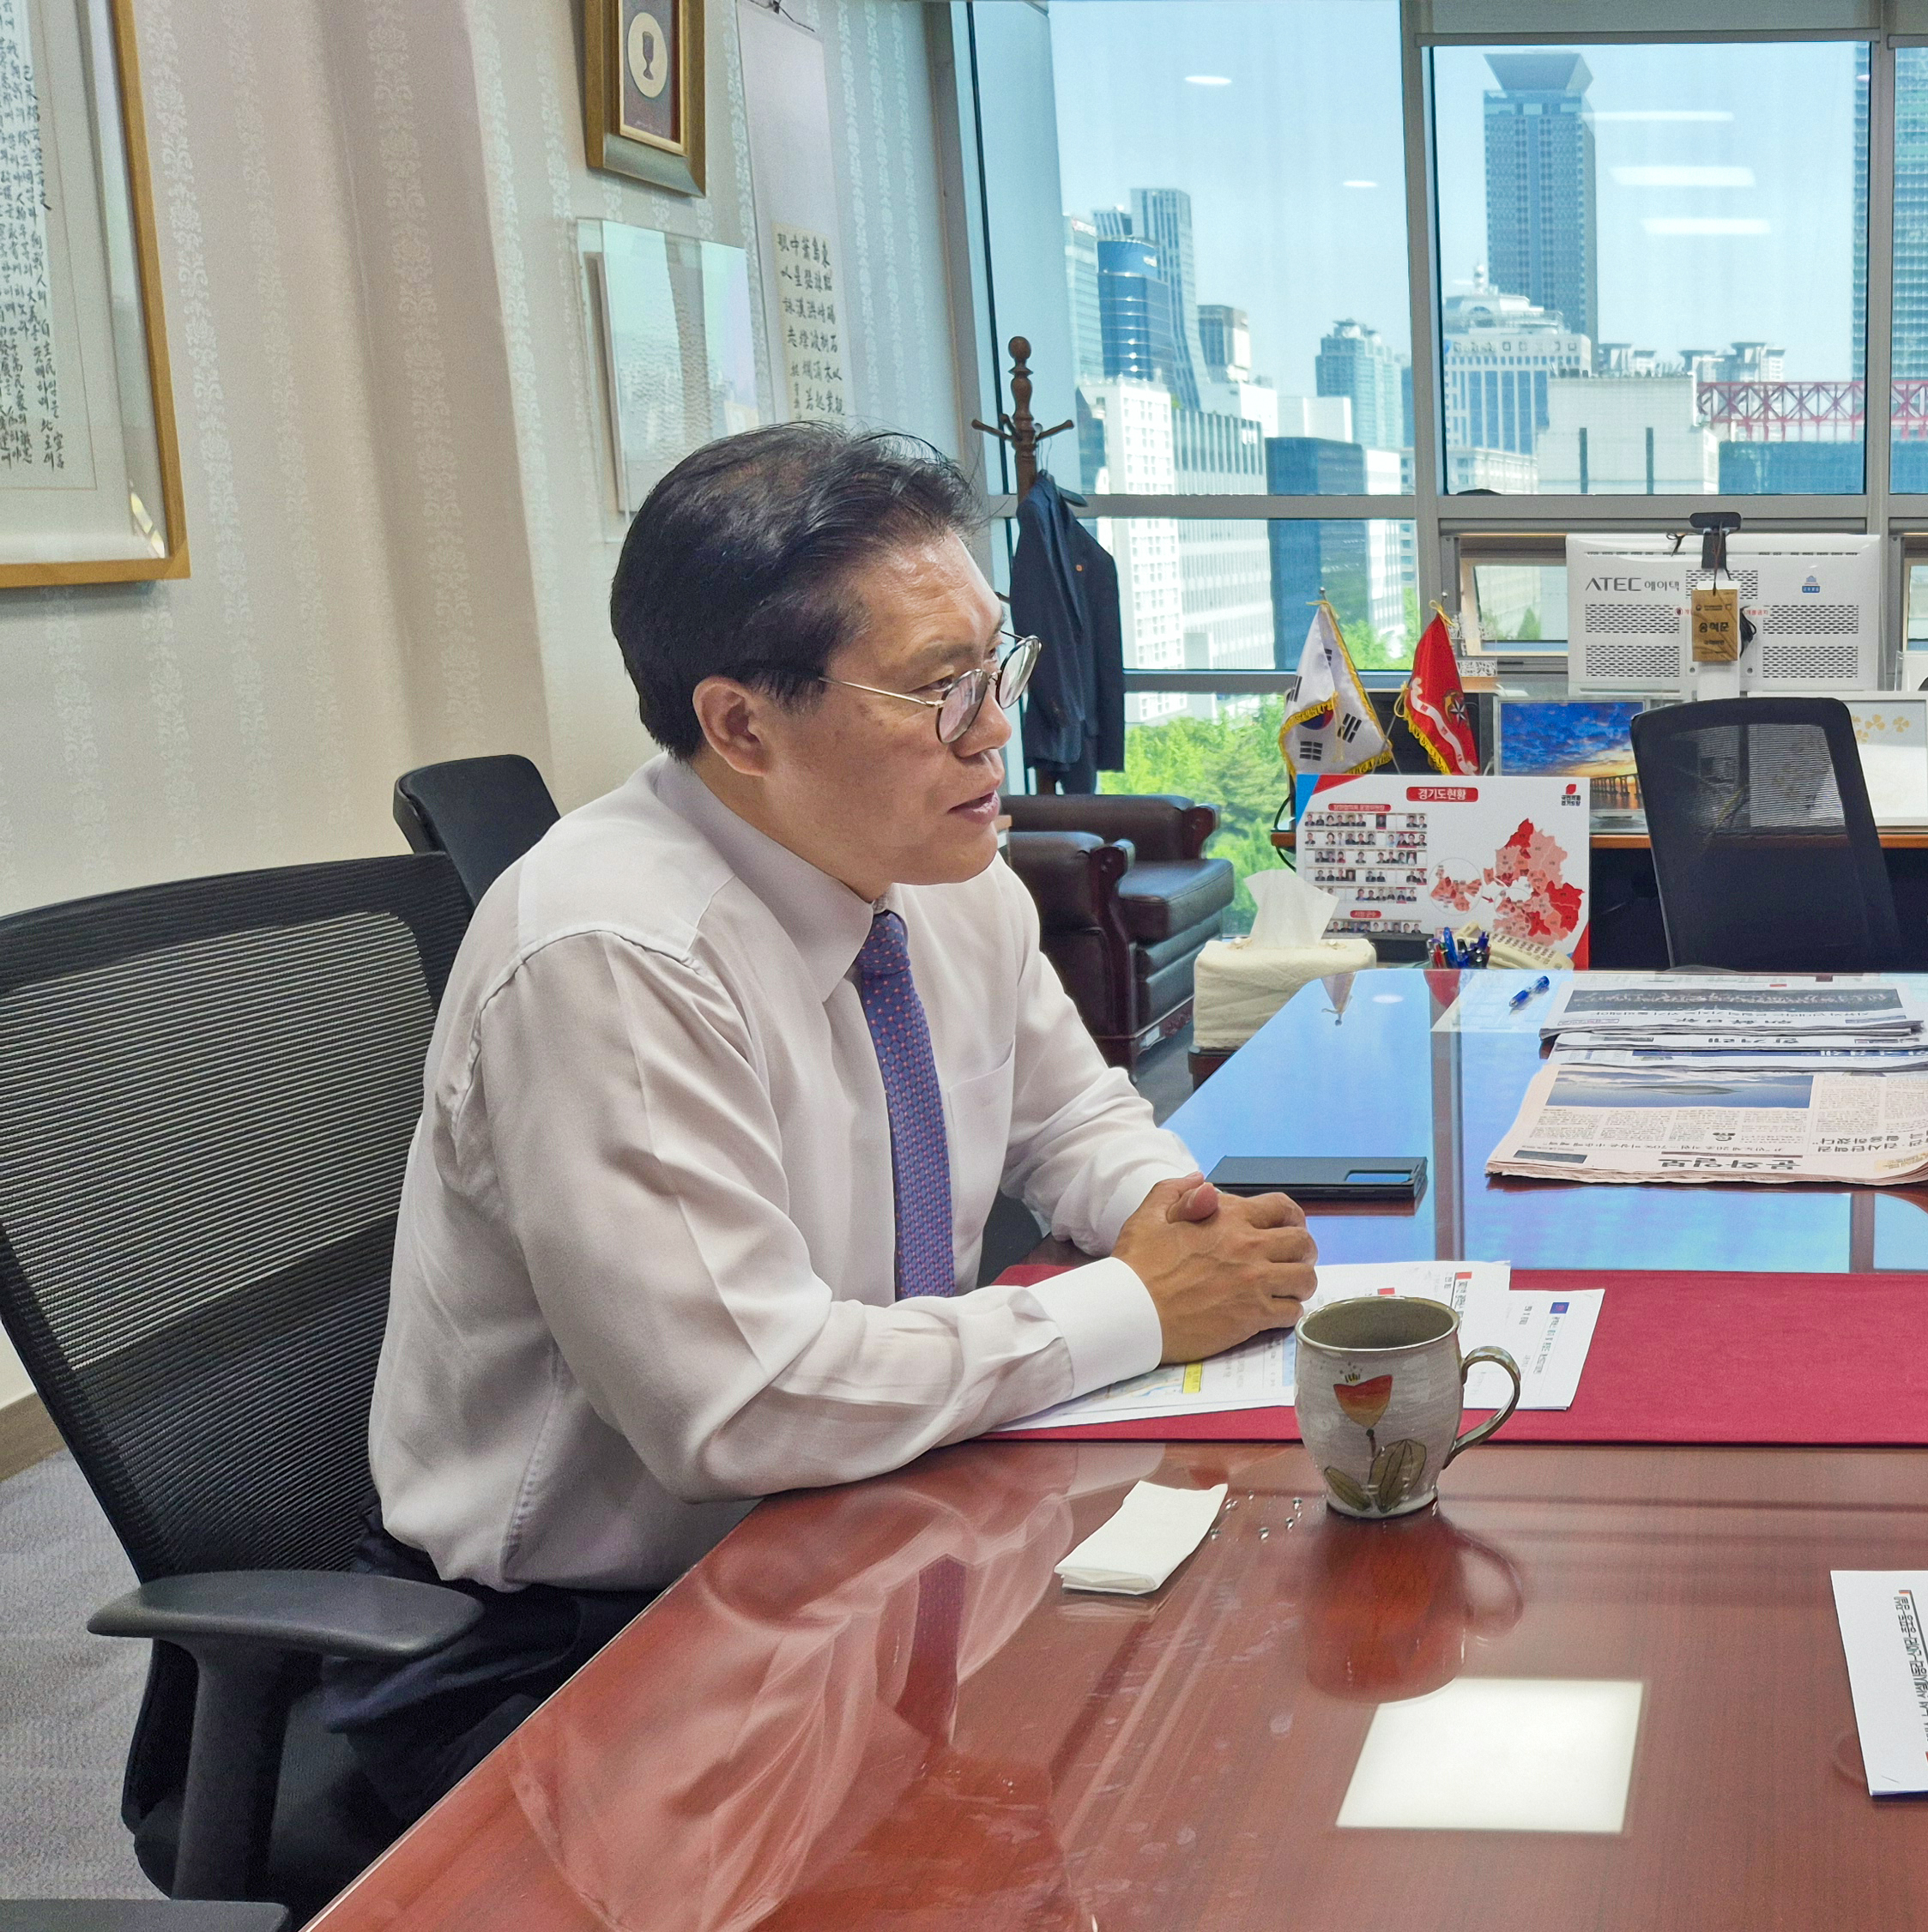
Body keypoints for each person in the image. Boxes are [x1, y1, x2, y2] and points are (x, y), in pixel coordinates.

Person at [319, 425, 1319, 1818]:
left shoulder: (946, 867)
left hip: (868, 1522)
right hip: (572, 1641)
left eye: (997, 669)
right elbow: (744, 1401)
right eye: (936, 693)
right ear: (741, 724)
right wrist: (1140, 1309)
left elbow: (1073, 1115)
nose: (995, 733)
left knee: (1225, 1712)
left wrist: (1164, 1209)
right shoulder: (613, 953)